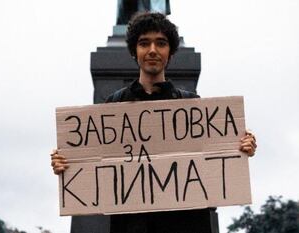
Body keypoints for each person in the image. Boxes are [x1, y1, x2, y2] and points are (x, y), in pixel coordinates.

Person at [51, 12, 257, 233]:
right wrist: (67, 164)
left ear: (170, 52)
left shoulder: (192, 106)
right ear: (134, 51)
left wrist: (241, 147)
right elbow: (94, 167)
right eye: (144, 43)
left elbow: (215, 166)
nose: (152, 50)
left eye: (161, 43)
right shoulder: (113, 105)